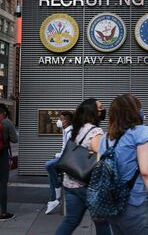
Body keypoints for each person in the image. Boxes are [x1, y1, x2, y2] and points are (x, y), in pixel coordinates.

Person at [98, 94, 148, 234]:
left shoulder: (105, 139)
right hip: (137, 206)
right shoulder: (142, 132)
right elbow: (147, 171)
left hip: (112, 206)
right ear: (134, 111)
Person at [55, 98, 111, 235]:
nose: (102, 110)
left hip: (70, 183)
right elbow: (100, 158)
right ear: (92, 111)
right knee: (102, 221)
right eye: (100, 107)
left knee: (71, 221)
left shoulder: (78, 128)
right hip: (87, 186)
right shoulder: (95, 131)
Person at [44, 111, 73, 215]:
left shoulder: (70, 132)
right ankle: (53, 200)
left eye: (61, 119)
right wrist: (57, 154)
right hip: (64, 157)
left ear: (66, 121)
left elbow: (68, 151)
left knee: (48, 165)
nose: (58, 121)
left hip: (68, 160)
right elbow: (63, 148)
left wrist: (58, 156)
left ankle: (57, 189)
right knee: (51, 174)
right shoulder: (65, 131)